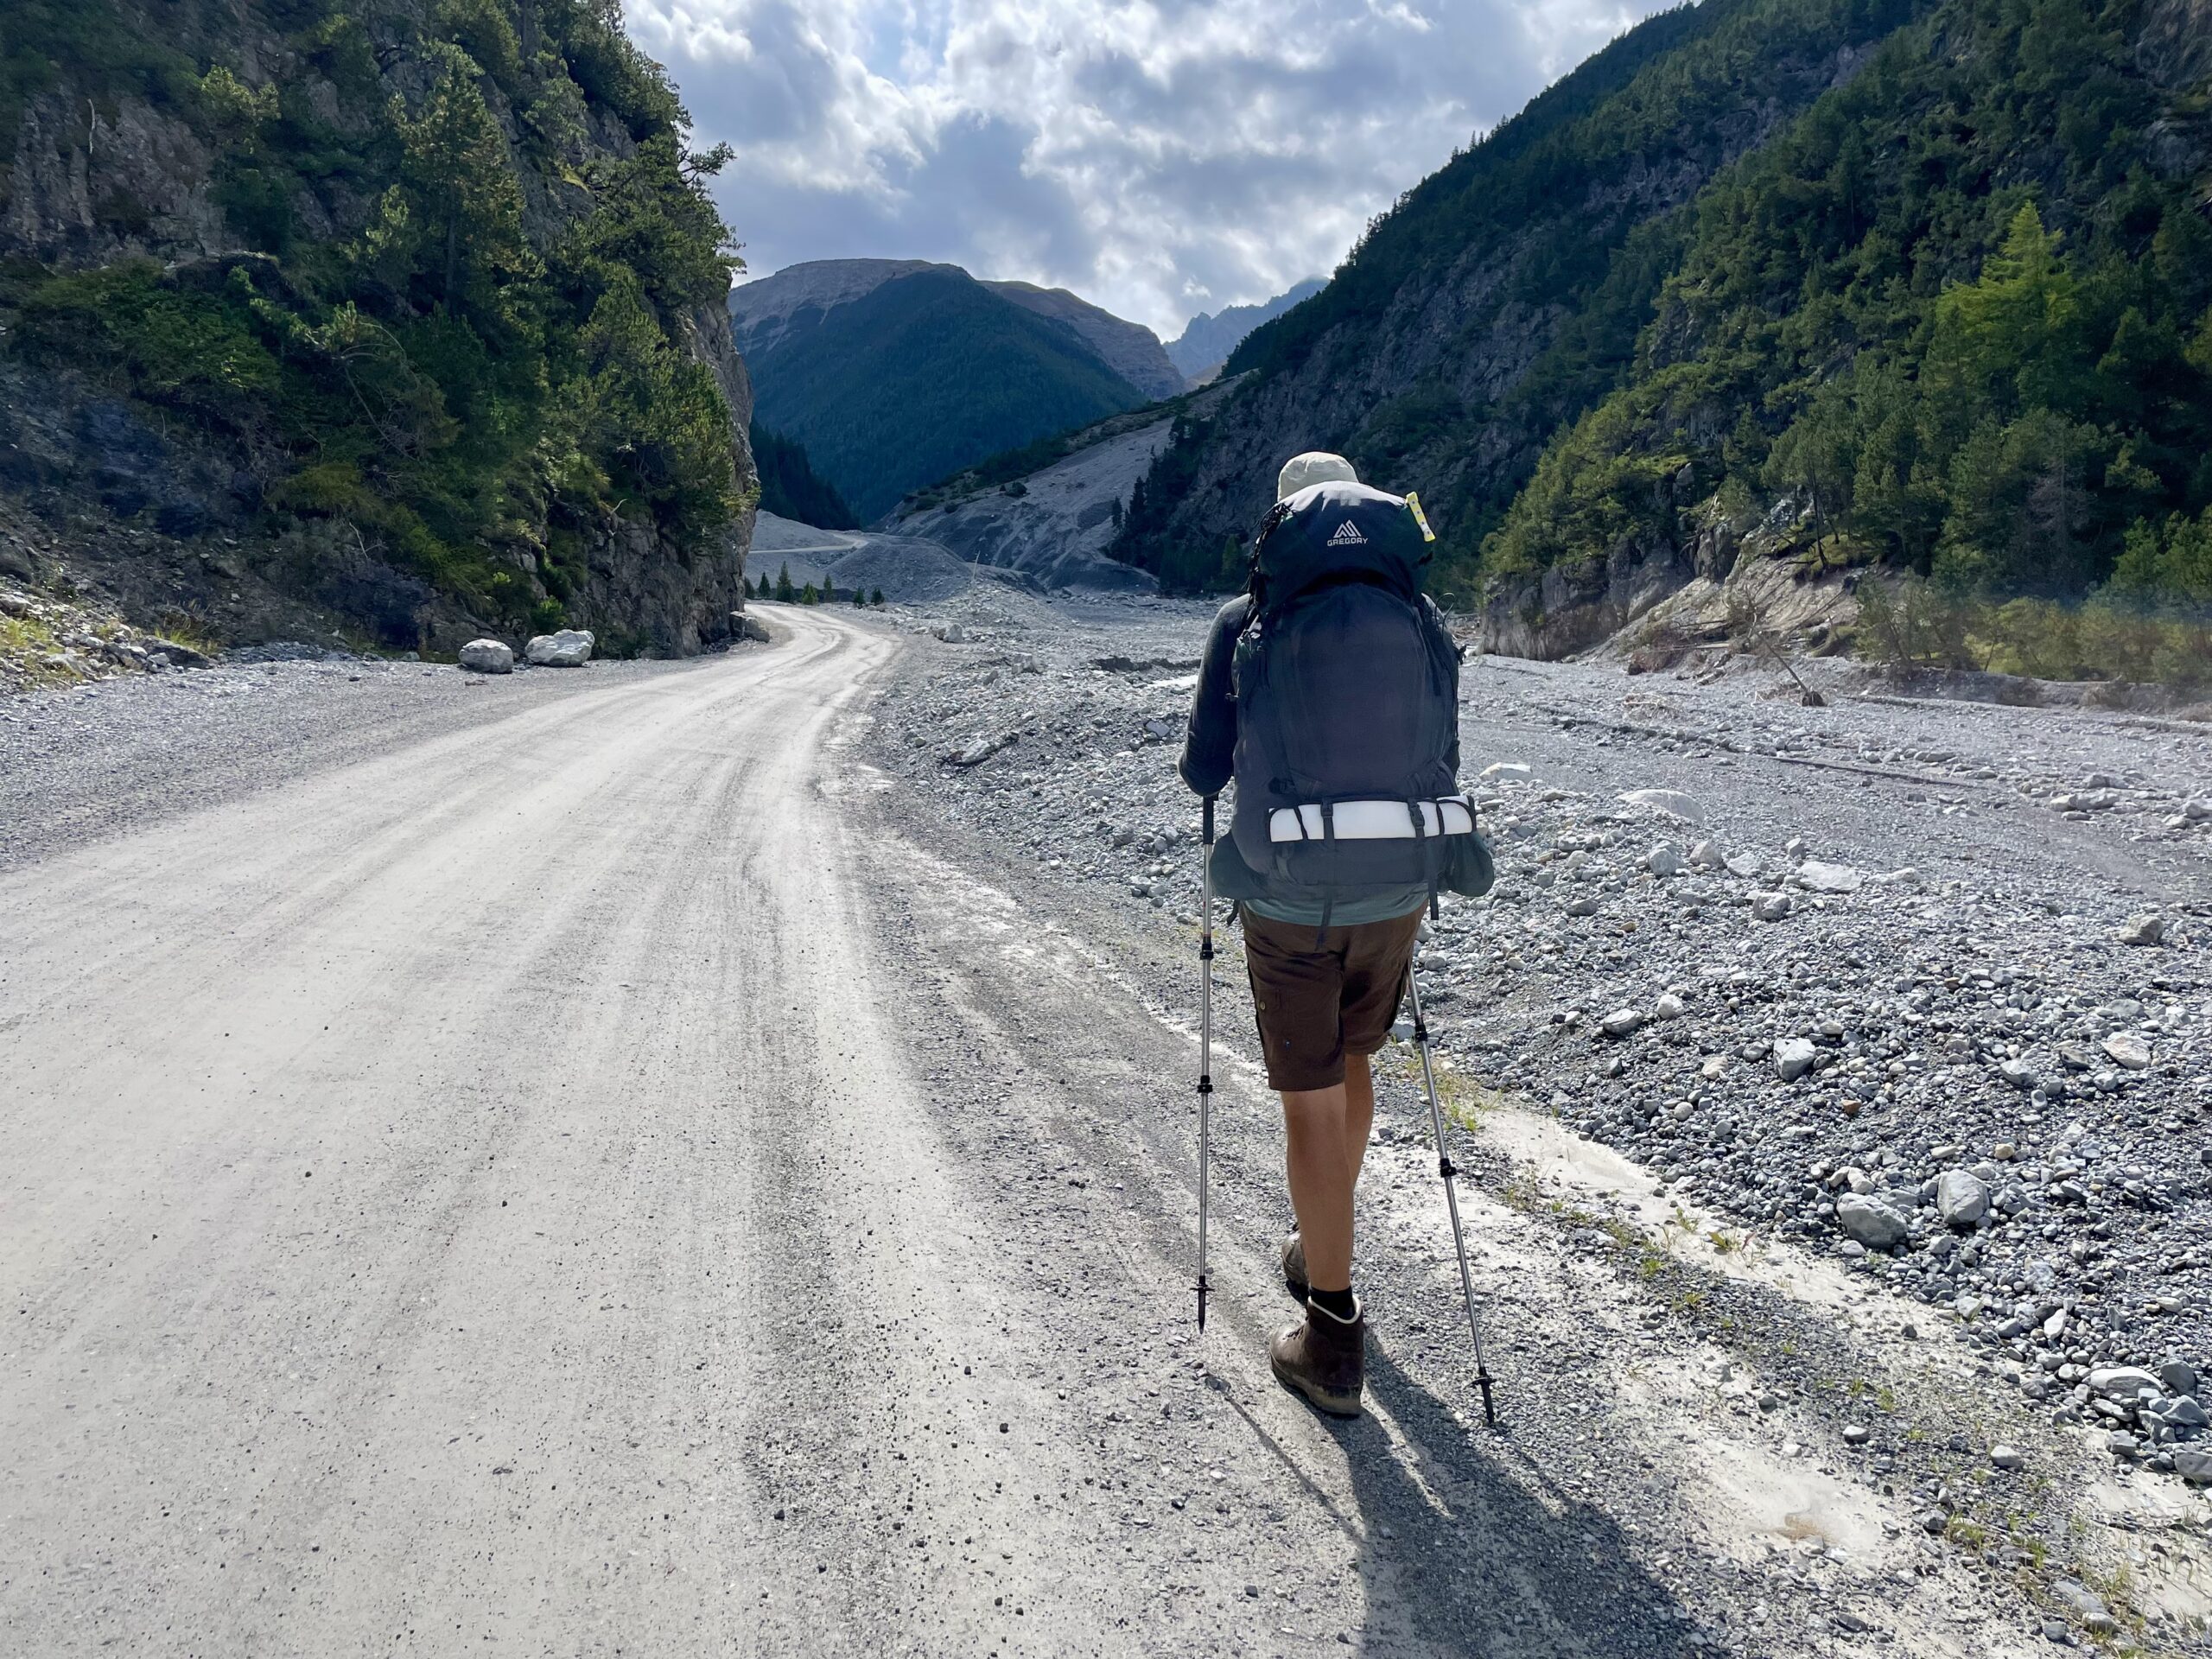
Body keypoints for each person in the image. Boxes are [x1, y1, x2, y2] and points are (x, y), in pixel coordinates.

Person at [1178, 450, 1484, 1418]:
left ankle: (1332, 1332)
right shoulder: (1422, 622)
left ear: (1282, 526)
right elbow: (1442, 757)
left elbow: (1201, 774)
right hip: (1396, 893)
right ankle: (1318, 1242)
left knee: (1306, 1101)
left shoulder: (1247, 623)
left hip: (1289, 899)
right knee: (1356, 1063)